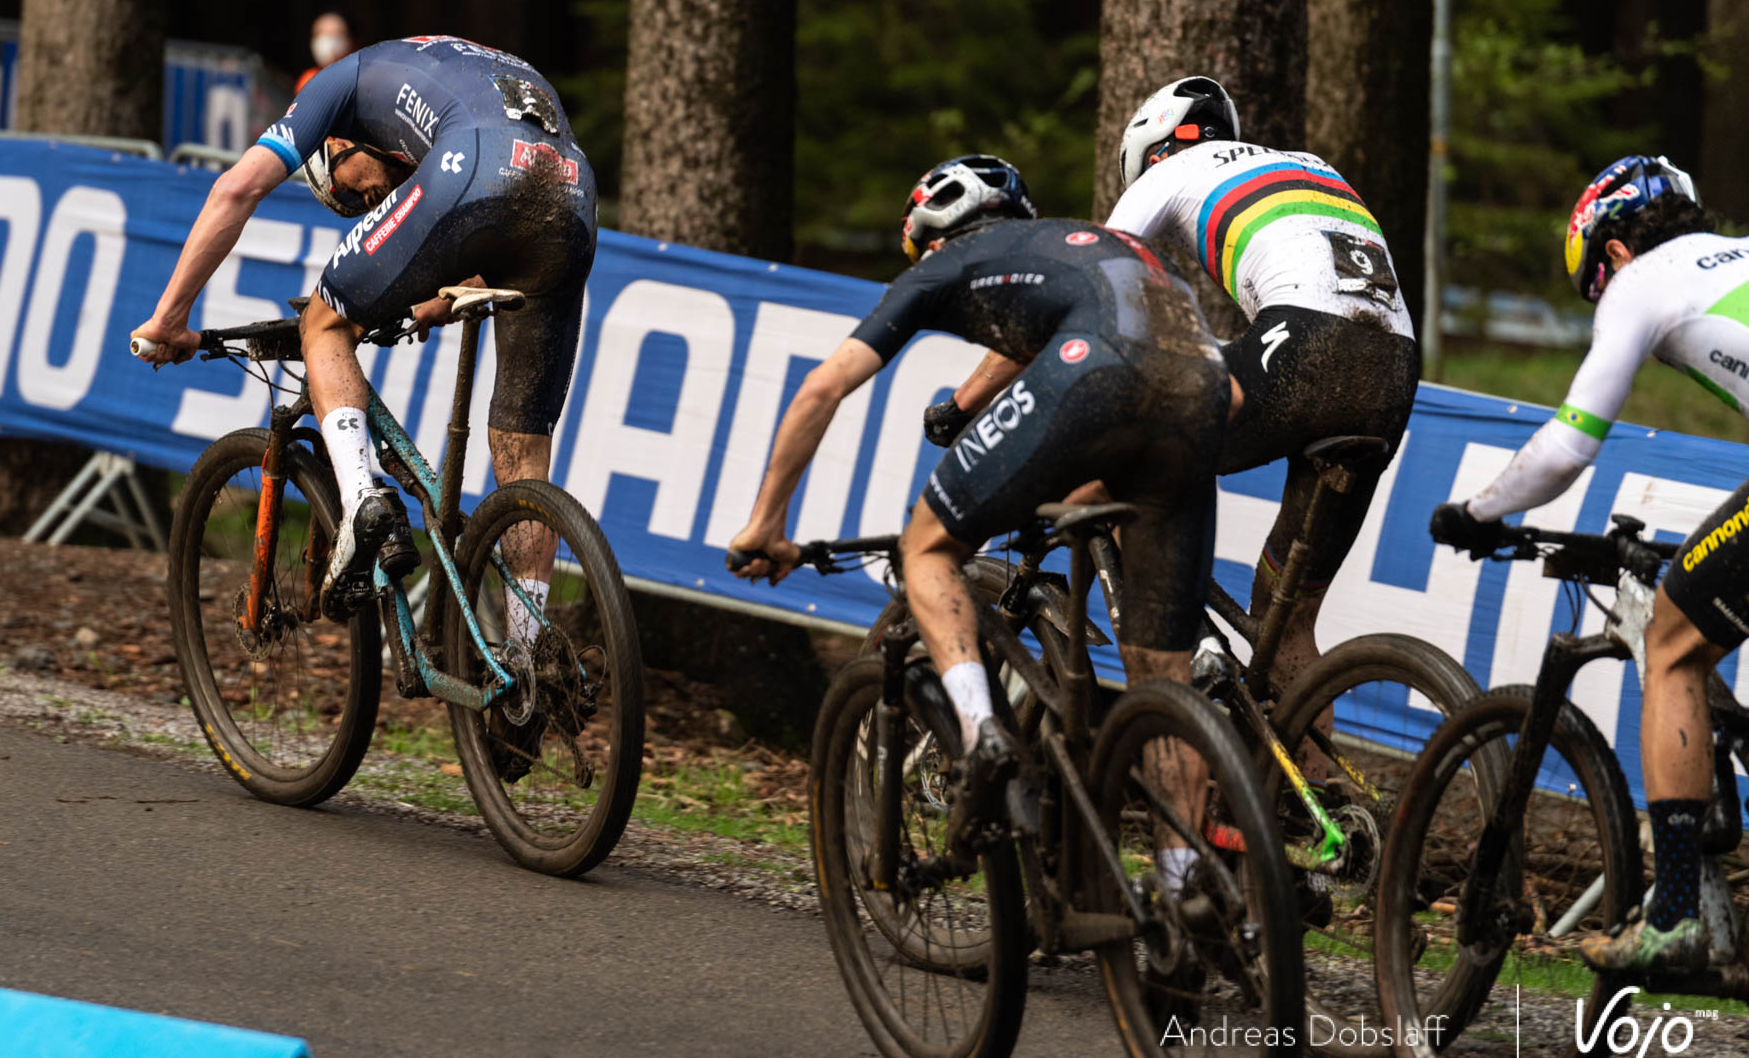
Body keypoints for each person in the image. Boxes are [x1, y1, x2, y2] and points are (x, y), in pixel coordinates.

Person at [726, 154, 1234, 860]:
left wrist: (767, 522)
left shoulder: (943, 264)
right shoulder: (1089, 244)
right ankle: (1187, 890)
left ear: (933, 236)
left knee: (927, 546)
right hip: (1205, 391)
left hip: (1100, 367)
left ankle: (981, 731)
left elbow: (822, 388)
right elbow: (1211, 392)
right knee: (1161, 675)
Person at [941, 77, 1418, 715]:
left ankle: (1195, 649)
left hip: (1304, 342)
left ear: (1151, 149)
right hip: (1392, 371)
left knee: (1120, 470)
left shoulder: (1166, 176)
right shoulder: (1307, 165)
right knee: (1288, 620)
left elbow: (1079, 290)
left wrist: (963, 403)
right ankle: (1325, 804)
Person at [130, 34, 597, 633]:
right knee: (523, 454)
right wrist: (444, 288)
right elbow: (506, 195)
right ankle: (529, 659)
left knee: (322, 322)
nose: (366, 202)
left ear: (338, 142)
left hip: (476, 168)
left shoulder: (336, 84)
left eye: (348, 191)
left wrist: (171, 316)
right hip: (572, 194)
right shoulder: (442, 69)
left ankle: (361, 503)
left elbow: (235, 189)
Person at [1431, 154, 1735, 973]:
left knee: (1672, 640)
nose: (1604, 295)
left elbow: (1569, 447)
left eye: (1595, 279)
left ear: (1612, 250)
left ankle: (1674, 921)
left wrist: (1477, 509)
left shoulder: (1644, 282)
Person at [295, 12, 353, 94]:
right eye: (321, 34)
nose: (329, 42)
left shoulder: (358, 79)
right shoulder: (308, 80)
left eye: (335, 35)